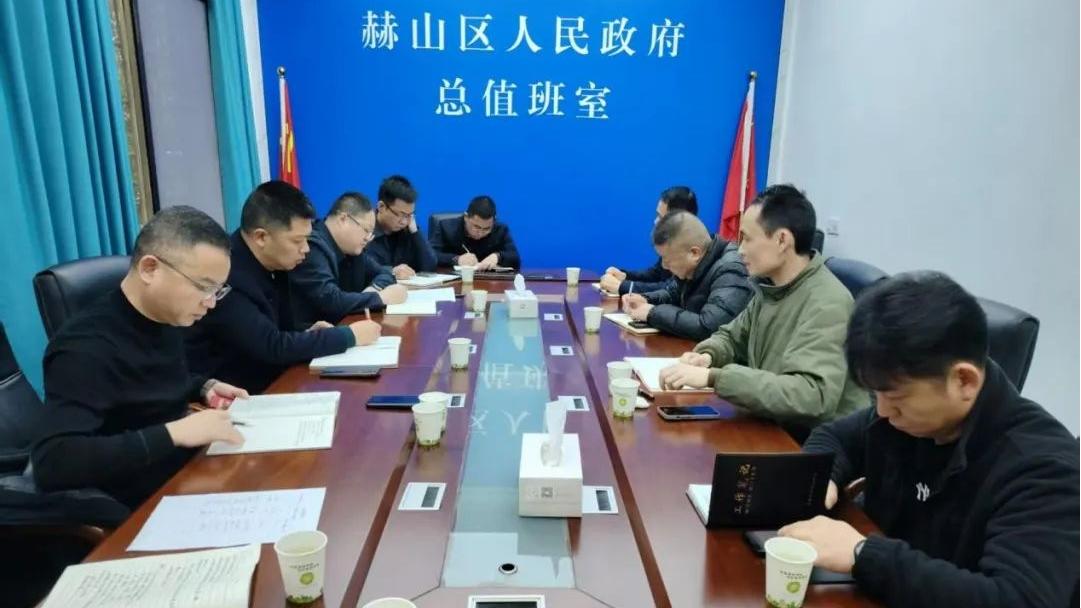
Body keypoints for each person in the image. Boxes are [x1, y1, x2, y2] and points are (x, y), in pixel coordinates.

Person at [779, 271, 1079, 608]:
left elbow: (1018, 599)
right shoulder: (908, 417)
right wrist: (820, 480)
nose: (882, 411)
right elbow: (835, 437)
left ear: (964, 381)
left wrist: (863, 554)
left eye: (896, 398)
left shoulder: (1045, 471)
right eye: (876, 395)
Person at [32, 206, 246, 509]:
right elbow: (54, 462)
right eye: (203, 287)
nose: (210, 303)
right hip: (140, 502)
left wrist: (203, 386)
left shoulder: (164, 317)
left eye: (217, 290)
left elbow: (146, 384)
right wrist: (175, 433)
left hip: (184, 473)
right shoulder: (84, 348)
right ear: (149, 269)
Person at [660, 185, 869, 434]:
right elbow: (732, 337)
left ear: (782, 240)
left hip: (809, 443)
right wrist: (708, 356)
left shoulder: (828, 303)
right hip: (772, 424)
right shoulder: (770, 287)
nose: (740, 250)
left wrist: (714, 378)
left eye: (747, 238)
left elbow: (812, 396)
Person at [186, 181, 381, 393]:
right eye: (297, 241)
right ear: (261, 237)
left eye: (307, 240)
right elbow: (272, 346)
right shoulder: (228, 272)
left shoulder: (275, 264)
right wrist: (348, 336)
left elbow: (276, 328)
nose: (306, 249)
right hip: (234, 394)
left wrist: (306, 332)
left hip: (270, 380)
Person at [620, 211, 752, 341]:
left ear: (694, 253)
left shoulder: (731, 269)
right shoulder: (693, 266)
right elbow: (671, 293)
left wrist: (652, 313)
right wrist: (645, 299)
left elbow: (710, 327)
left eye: (667, 259)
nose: (664, 266)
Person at [290, 191, 408, 326]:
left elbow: (385, 272)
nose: (368, 238)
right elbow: (331, 301)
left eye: (371, 233)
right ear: (343, 219)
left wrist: (373, 289)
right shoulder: (312, 247)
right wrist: (380, 298)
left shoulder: (352, 249)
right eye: (366, 230)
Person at [600, 185, 698, 295]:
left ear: (680, 220)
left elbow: (671, 289)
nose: (656, 221)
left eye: (661, 217)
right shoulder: (671, 241)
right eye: (657, 215)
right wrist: (625, 276)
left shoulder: (692, 248)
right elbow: (656, 274)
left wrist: (623, 287)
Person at [365, 174, 437, 279]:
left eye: (409, 215)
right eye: (401, 215)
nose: (404, 222)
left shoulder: (408, 230)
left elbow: (430, 266)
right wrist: (391, 271)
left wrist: (415, 232)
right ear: (381, 207)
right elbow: (363, 269)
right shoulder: (365, 231)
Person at [429, 195, 521, 270]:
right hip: (454, 281)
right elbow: (430, 255)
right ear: (466, 217)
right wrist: (457, 259)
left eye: (487, 229)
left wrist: (498, 256)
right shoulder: (446, 227)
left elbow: (515, 258)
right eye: (476, 227)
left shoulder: (500, 230)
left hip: (488, 281)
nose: (480, 233)